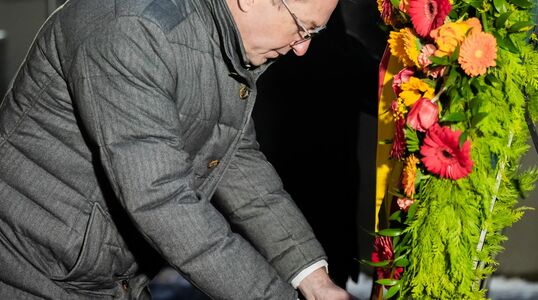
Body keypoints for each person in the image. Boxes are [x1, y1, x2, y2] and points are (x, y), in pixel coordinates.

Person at [0, 0, 351, 298]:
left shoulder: (215, 36)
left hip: (104, 275)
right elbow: (162, 199)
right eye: (303, 28)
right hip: (28, 270)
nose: (302, 47)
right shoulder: (131, 27)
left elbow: (237, 161)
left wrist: (314, 279)